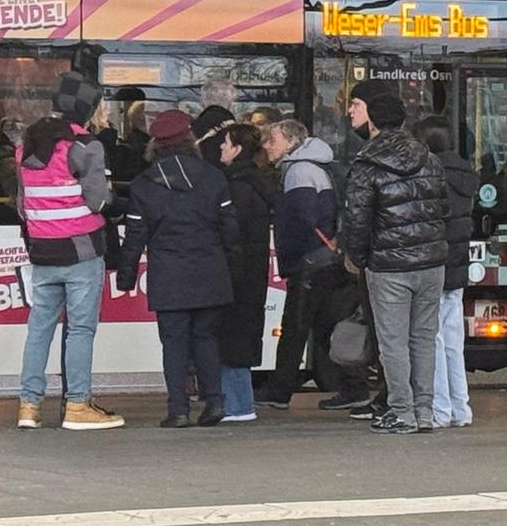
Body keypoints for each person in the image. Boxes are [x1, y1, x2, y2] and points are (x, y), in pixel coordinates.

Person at [116, 109, 242, 428]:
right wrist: (234, 272)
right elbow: (230, 231)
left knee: (173, 343)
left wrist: (125, 276)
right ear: (189, 139)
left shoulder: (144, 185)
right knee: (206, 339)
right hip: (211, 272)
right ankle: (214, 401)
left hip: (168, 275)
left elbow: (134, 237)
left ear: (155, 144)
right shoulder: (213, 177)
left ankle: (179, 410)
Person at [14, 70, 123, 432]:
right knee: (80, 330)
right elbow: (98, 201)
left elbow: (21, 204)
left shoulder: (27, 145)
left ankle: (29, 406)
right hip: (81, 252)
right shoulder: (86, 146)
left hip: (42, 251)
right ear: (88, 109)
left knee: (39, 329)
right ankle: (77, 404)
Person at [338, 81, 448, 435]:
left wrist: (357, 258)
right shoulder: (428, 158)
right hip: (431, 263)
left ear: (372, 121)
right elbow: (442, 208)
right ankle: (425, 411)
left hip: (389, 266)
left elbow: (356, 218)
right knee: (424, 339)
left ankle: (401, 411)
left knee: (393, 342)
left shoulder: (367, 163)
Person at [260, 119, 362, 411]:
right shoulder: (317, 165)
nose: (268, 145)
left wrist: (306, 251)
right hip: (326, 259)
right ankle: (353, 385)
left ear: (291, 142)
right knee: (326, 323)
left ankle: (280, 390)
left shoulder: (299, 170)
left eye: (273, 139)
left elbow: (304, 217)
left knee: (296, 326)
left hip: (311, 262)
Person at [417, 117, 480, 428]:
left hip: (435, 262)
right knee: (453, 340)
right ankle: (460, 407)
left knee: (433, 339)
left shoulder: (430, 174)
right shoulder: (466, 174)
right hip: (458, 264)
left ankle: (440, 409)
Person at [216, 122, 278, 423]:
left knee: (230, 337)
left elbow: (232, 233)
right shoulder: (256, 181)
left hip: (235, 274)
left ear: (238, 149)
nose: (221, 149)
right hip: (252, 273)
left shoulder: (235, 186)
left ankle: (237, 404)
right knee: (243, 334)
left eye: (225, 144)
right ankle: (240, 402)